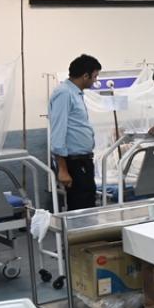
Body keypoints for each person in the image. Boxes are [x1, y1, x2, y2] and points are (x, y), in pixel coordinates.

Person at [50, 54, 101, 211]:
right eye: (94, 76)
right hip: (73, 162)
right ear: (85, 76)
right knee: (80, 207)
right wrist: (63, 169)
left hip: (83, 160)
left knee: (88, 204)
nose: (95, 80)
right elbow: (58, 131)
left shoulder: (75, 93)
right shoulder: (64, 93)